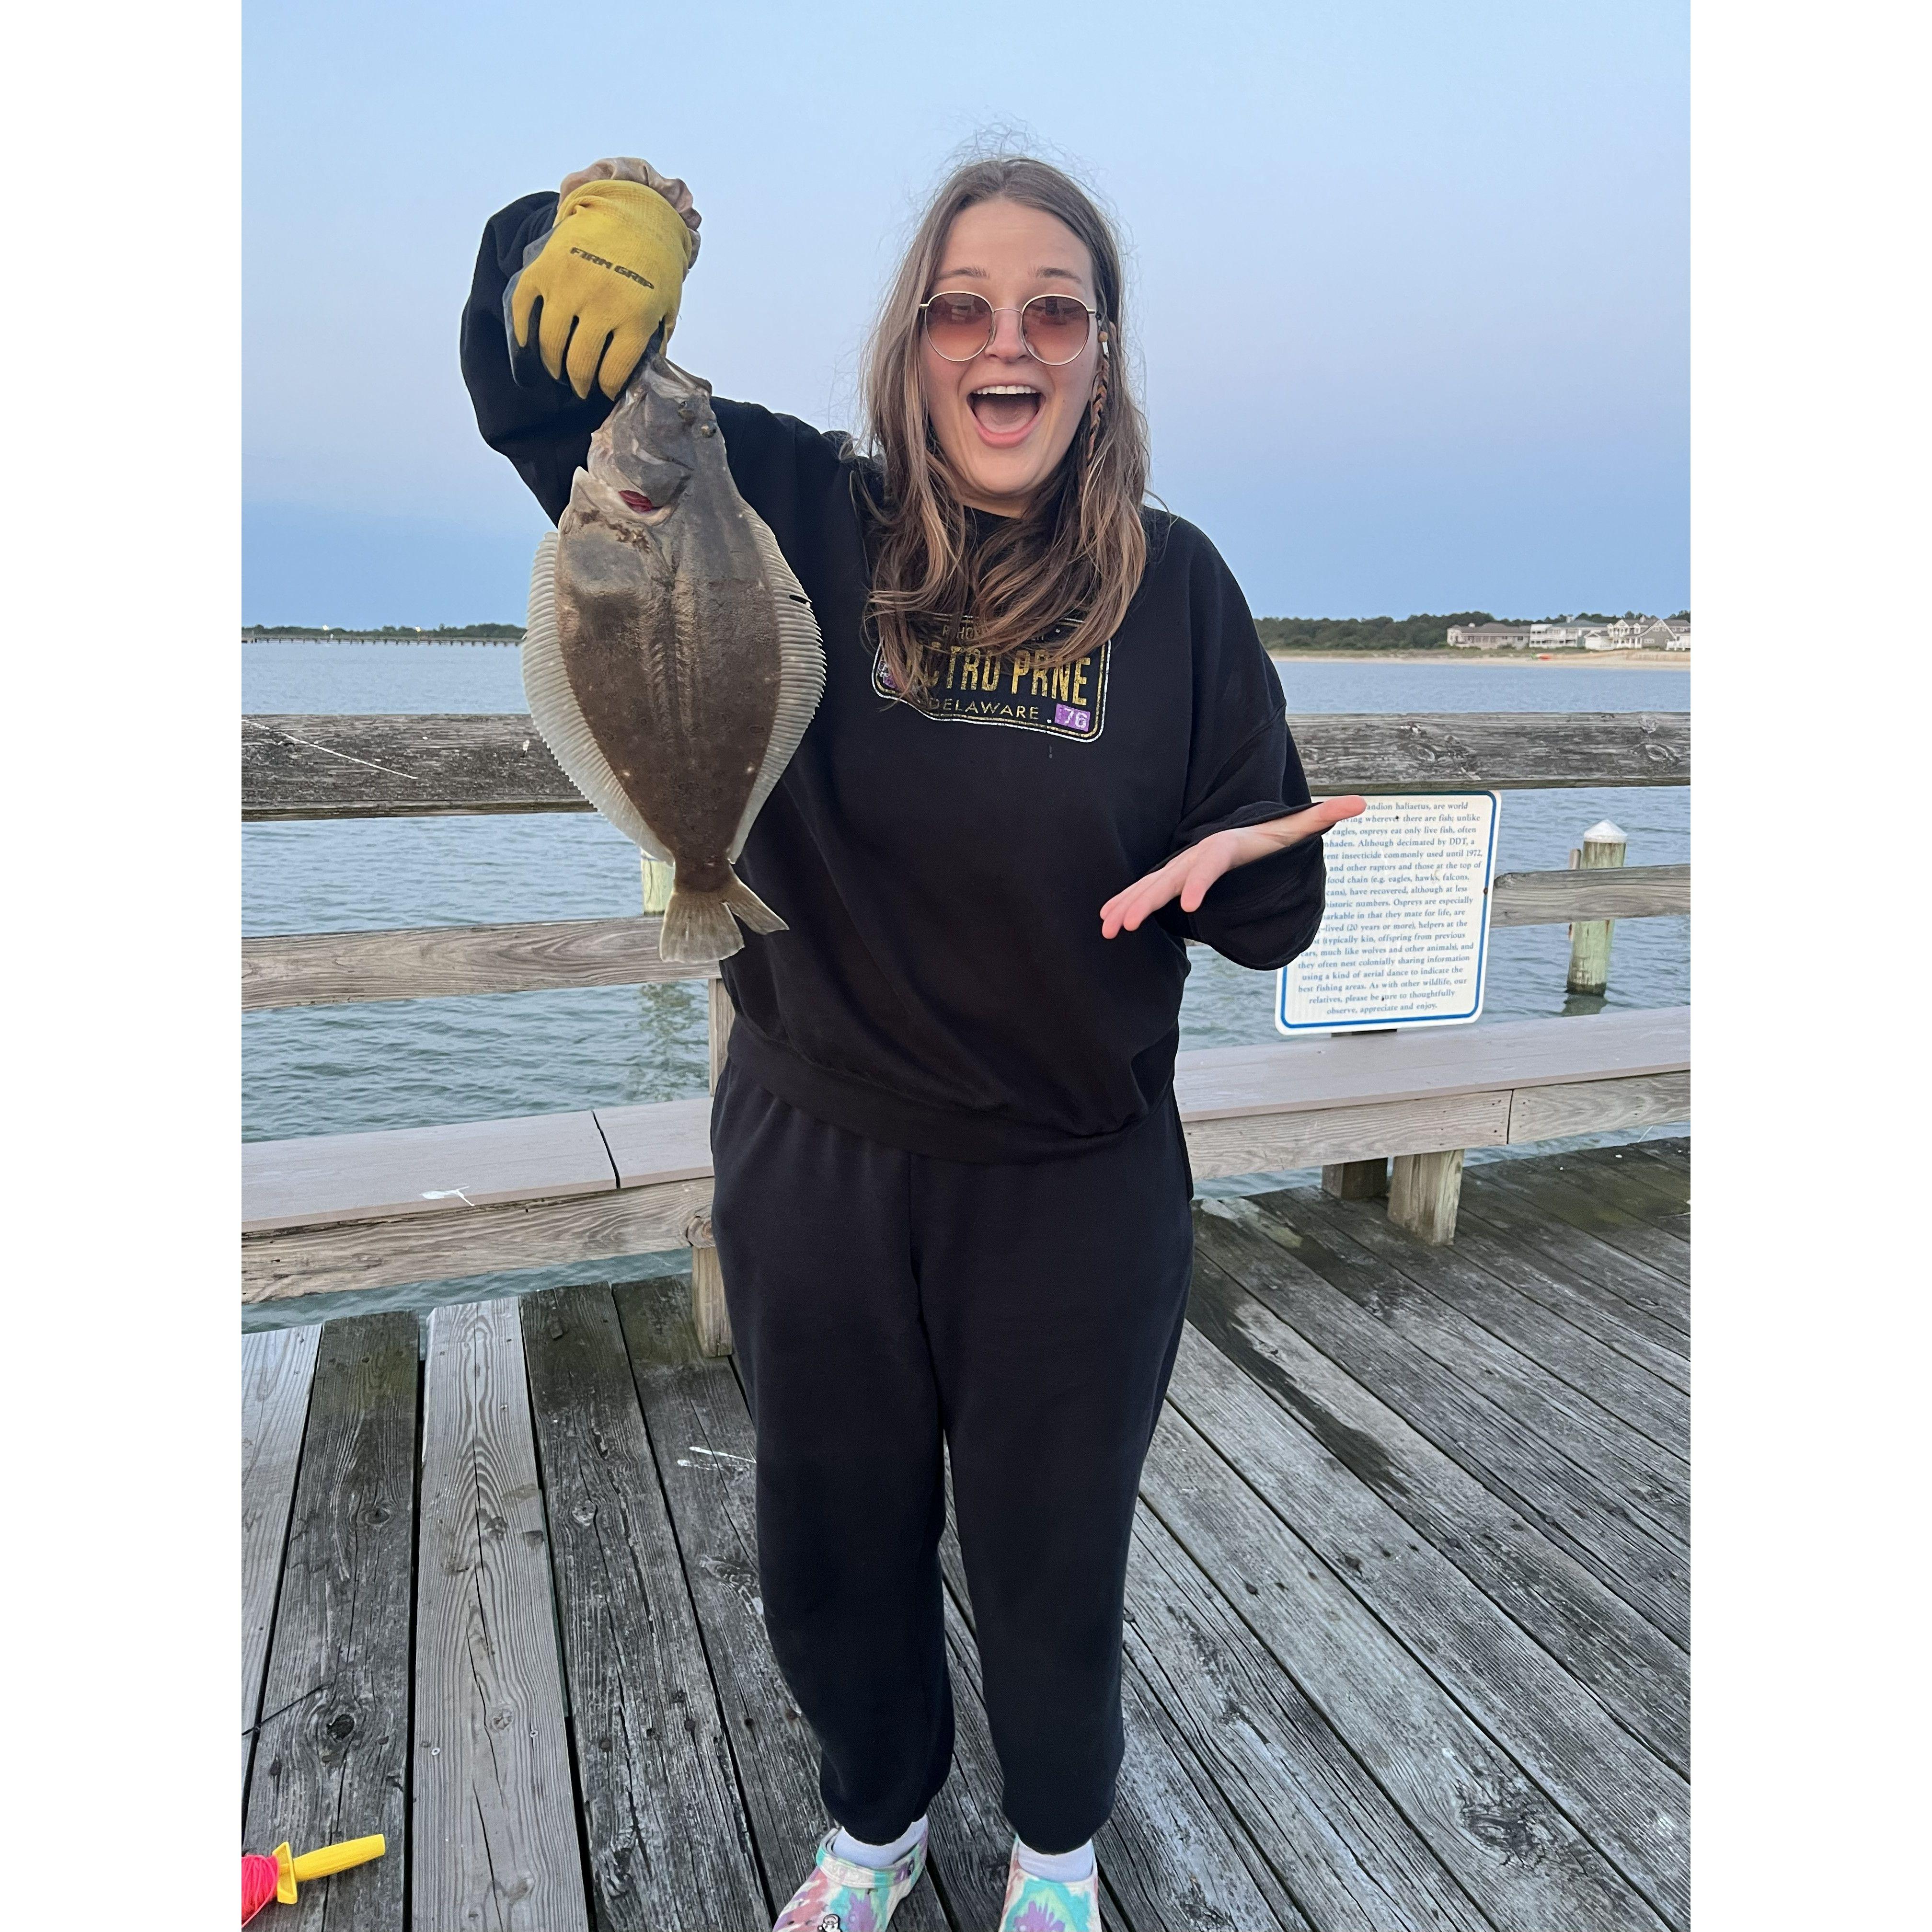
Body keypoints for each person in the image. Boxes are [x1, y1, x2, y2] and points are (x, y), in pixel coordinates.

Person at [462, 150, 1361, 1932]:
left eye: (1054, 313)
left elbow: (1267, 897)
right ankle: (873, 1825)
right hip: (820, 1160)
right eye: (965, 307)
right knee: (832, 1547)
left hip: (1073, 1189)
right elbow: (537, 386)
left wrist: (1248, 876)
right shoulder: (788, 503)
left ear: (1102, 358)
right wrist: (567, 241)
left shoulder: (1177, 595)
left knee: (1053, 1566)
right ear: (912, 343)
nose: (1005, 344)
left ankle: (1053, 1852)